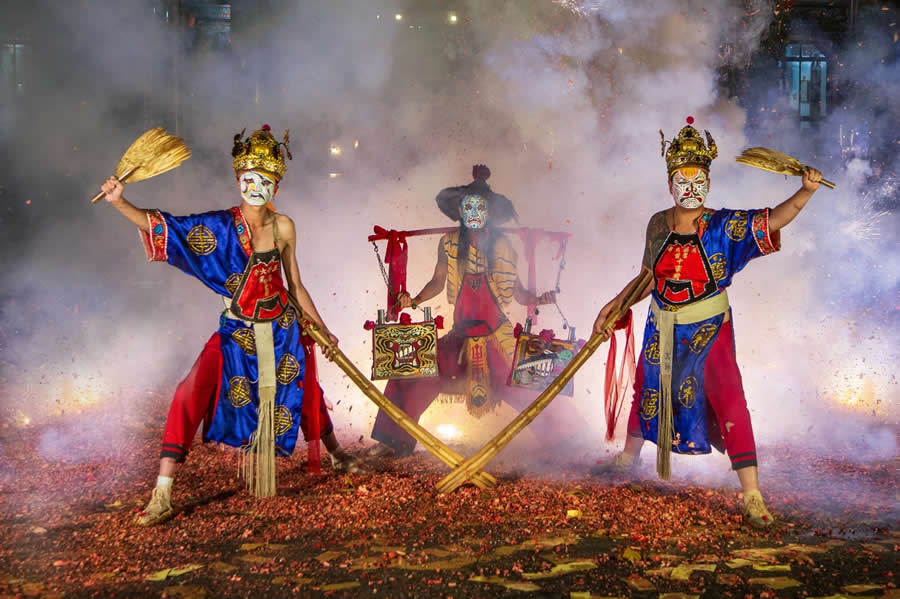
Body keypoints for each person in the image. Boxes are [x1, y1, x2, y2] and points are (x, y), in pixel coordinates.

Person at [100, 124, 360, 527]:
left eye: (265, 181)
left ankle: (338, 454)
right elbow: (165, 227)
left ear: (276, 186)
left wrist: (321, 329)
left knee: (305, 390)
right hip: (236, 333)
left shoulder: (284, 227)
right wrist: (120, 202)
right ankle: (163, 492)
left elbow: (296, 285)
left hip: (283, 330)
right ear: (239, 180)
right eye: (249, 179)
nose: (256, 187)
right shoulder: (219, 227)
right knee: (188, 392)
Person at [592, 118, 823, 527]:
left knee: (729, 396)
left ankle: (751, 494)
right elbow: (648, 276)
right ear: (669, 183)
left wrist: (803, 192)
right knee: (648, 387)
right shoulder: (657, 224)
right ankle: (628, 460)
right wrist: (614, 305)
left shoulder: (723, 225)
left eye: (698, 179)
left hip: (709, 327)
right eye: (683, 179)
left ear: (709, 182)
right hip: (661, 322)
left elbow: (772, 221)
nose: (690, 187)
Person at [368, 164, 561, 457]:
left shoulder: (505, 248)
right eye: (467, 206)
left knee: (529, 379)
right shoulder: (448, 244)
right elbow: (437, 282)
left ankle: (564, 439)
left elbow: (518, 292)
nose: (472, 212)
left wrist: (539, 298)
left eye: (479, 207)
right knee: (413, 372)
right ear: (459, 210)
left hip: (497, 334)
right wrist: (414, 301)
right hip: (459, 336)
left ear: (489, 213)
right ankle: (394, 442)